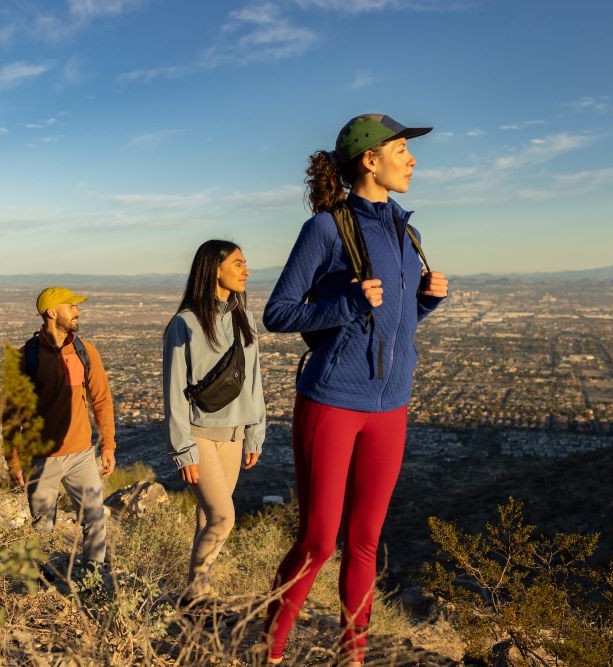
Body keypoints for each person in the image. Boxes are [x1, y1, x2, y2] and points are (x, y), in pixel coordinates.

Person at [260, 114, 449, 664]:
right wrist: (346, 301)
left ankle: (354, 655)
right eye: (400, 150)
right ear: (370, 160)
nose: (411, 159)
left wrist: (426, 300)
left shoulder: (407, 232)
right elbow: (279, 313)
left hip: (391, 406)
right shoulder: (325, 228)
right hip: (332, 401)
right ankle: (269, 651)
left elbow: (395, 321)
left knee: (366, 540)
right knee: (320, 540)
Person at [162, 240, 266, 604]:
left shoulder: (245, 318)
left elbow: (253, 381)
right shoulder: (184, 324)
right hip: (199, 435)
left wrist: (255, 434)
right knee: (225, 518)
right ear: (214, 268)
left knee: (208, 519)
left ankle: (197, 593)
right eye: (238, 263)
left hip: (235, 436)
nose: (245, 270)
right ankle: (195, 592)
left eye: (245, 263)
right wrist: (183, 450)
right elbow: (174, 391)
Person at [3, 285, 117, 574]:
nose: (77, 311)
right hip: (41, 459)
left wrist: (108, 446)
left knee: (94, 521)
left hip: (81, 455)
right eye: (72, 306)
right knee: (42, 530)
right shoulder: (24, 358)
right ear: (52, 313)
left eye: (77, 306)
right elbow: (10, 416)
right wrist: (13, 460)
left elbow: (101, 399)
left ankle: (94, 581)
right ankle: (43, 587)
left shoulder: (84, 351)